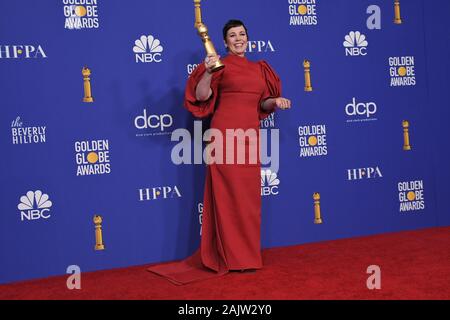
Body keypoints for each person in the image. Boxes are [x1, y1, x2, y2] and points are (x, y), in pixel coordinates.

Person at [148, 19, 291, 285]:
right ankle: (229, 258)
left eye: (242, 34)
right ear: (225, 42)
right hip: (224, 137)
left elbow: (263, 102)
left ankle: (247, 258)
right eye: (232, 35)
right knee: (227, 197)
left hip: (249, 138)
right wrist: (209, 71)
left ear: (248, 38)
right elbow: (201, 97)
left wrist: (275, 101)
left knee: (248, 200)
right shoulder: (219, 65)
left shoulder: (259, 69)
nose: (238, 38)